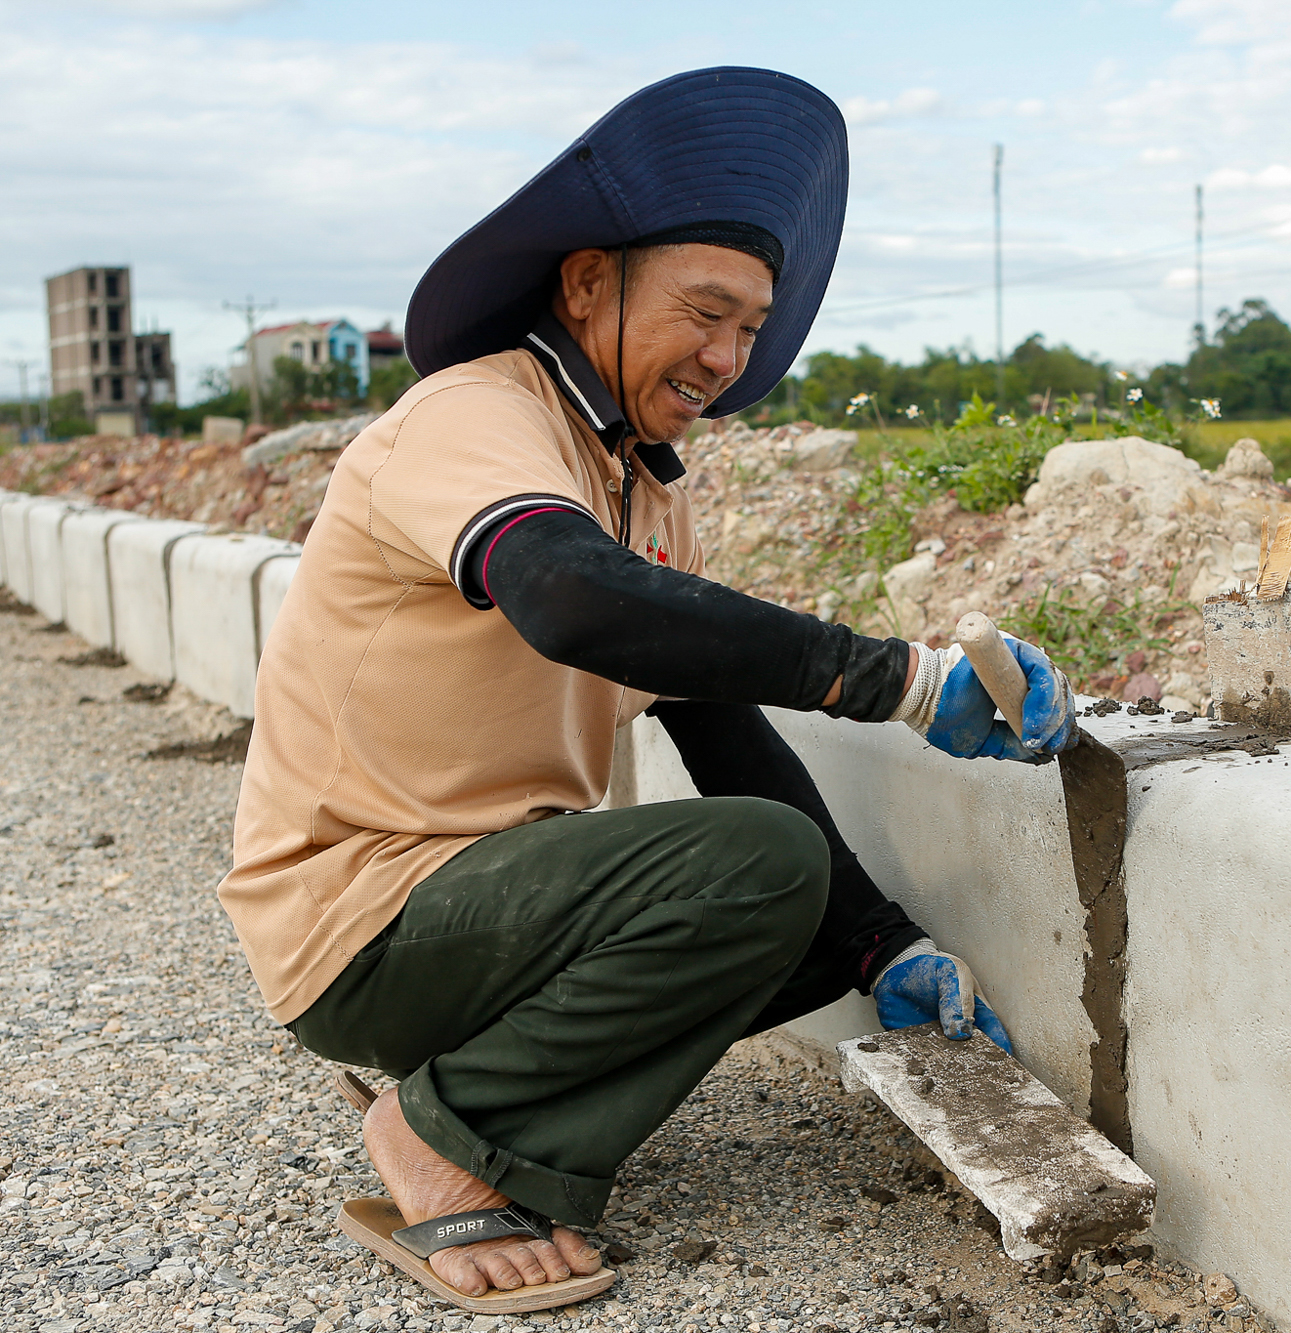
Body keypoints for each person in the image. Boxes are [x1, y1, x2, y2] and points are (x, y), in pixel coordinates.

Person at [217, 67, 1077, 1309]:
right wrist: (893, 677)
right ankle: (446, 1133)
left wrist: (878, 940)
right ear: (586, 284)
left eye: (751, 330)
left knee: (793, 909)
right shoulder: (471, 416)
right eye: (705, 313)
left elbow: (716, 720)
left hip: (482, 911)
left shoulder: (641, 485)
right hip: (368, 915)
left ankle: (462, 1076)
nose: (725, 359)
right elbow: (570, 593)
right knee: (758, 865)